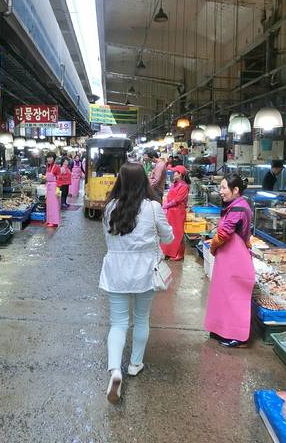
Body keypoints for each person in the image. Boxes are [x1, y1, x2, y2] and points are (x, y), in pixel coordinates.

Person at [99, 163, 173, 404]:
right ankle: (134, 364)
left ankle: (115, 370)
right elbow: (168, 237)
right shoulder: (153, 207)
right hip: (144, 272)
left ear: (120, 180)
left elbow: (108, 238)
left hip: (116, 272)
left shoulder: (109, 207)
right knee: (141, 319)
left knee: (118, 323)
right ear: (143, 181)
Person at [204, 174, 254, 348]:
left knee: (235, 297)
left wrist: (213, 246)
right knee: (223, 294)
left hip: (235, 259)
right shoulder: (235, 205)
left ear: (236, 190)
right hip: (227, 258)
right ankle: (221, 329)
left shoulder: (239, 208)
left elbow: (225, 233)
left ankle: (239, 337)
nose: (221, 191)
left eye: (224, 188)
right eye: (221, 187)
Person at [161, 166, 190, 261]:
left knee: (178, 233)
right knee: (170, 232)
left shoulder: (184, 186)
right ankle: (169, 252)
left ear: (180, 174)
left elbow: (177, 200)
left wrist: (166, 205)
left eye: (175, 173)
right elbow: (170, 196)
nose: (173, 174)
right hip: (171, 212)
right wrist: (165, 205)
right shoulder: (174, 184)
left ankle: (179, 254)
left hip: (178, 213)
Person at [44, 152, 61, 227]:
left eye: (51, 157)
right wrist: (44, 177)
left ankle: (54, 221)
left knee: (54, 205)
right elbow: (48, 176)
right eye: (48, 157)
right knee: (49, 205)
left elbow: (59, 178)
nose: (49, 159)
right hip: (48, 187)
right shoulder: (48, 166)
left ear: (54, 159)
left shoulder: (56, 167)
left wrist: (58, 188)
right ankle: (49, 220)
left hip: (54, 187)